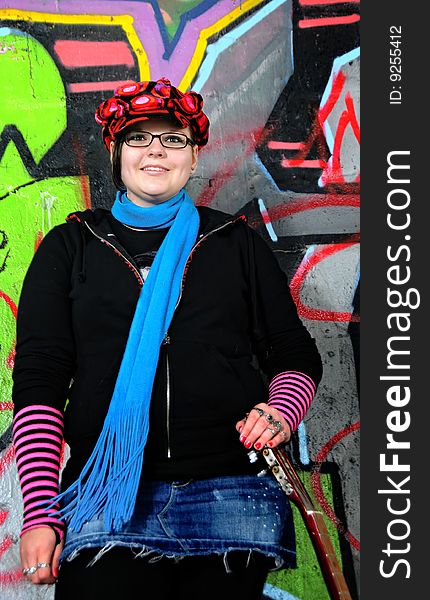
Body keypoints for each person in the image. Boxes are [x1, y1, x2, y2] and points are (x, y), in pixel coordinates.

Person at [12, 78, 322, 599]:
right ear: (115, 153)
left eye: (173, 138)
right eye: (138, 137)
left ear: (193, 156)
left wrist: (280, 412)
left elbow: (294, 354)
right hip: (107, 498)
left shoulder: (234, 242)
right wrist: (42, 512)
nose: (156, 150)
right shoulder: (70, 247)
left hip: (228, 496)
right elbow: (40, 383)